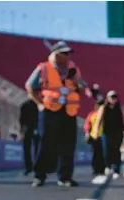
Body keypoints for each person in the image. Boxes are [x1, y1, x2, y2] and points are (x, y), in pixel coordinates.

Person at [25, 41, 86, 187]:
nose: (68, 56)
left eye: (69, 53)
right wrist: (39, 103)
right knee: (45, 143)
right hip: (50, 110)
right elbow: (30, 86)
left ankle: (65, 176)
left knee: (68, 145)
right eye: (65, 53)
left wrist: (79, 84)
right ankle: (39, 175)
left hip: (68, 111)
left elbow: (81, 88)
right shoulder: (44, 68)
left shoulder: (73, 69)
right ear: (56, 54)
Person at [93, 90, 124, 179]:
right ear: (108, 98)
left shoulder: (120, 107)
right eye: (112, 97)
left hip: (118, 131)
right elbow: (99, 119)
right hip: (107, 132)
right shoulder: (103, 107)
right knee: (107, 150)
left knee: (117, 150)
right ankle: (108, 166)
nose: (113, 99)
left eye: (115, 97)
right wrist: (96, 131)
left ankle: (117, 169)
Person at [84, 99, 106, 177]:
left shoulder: (106, 113)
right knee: (95, 153)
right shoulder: (92, 114)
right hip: (94, 136)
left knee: (103, 153)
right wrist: (87, 133)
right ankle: (96, 169)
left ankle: (102, 169)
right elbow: (87, 124)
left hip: (104, 136)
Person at [19, 99, 40, 176]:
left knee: (30, 148)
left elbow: (21, 120)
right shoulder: (37, 105)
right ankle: (31, 167)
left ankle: (30, 167)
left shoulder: (26, 104)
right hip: (33, 128)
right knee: (33, 148)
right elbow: (21, 119)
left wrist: (22, 130)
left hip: (31, 128)